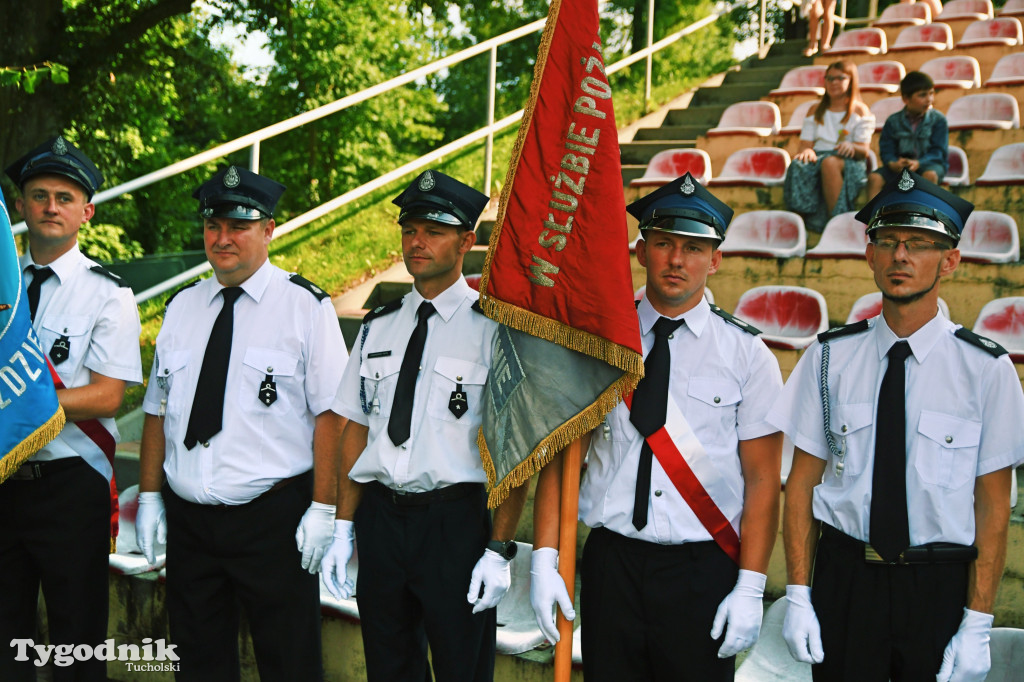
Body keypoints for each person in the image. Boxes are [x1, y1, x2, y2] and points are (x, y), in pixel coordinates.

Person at [769, 169, 1024, 682]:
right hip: (844, 581)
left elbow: (993, 506)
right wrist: (798, 591)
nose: (900, 256)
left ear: (950, 260)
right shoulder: (827, 358)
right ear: (869, 255)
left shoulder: (986, 370)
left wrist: (978, 619)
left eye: (920, 244)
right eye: (887, 241)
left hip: (937, 585)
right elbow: (800, 484)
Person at [528, 173, 784, 681]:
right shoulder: (596, 341)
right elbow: (561, 454)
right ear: (641, 251)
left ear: (715, 259)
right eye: (663, 243)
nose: (676, 260)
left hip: (702, 568)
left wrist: (751, 585)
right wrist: (544, 556)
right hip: (612, 564)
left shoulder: (748, 354)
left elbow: (762, 480)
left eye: (693, 247)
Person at [135, 165, 348, 681]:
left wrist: (324, 507)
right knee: (198, 664)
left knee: (289, 662)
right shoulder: (182, 308)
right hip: (191, 523)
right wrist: (148, 495)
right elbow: (157, 411)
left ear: (269, 229)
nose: (222, 238)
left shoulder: (305, 307)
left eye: (239, 226)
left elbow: (333, 417)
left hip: (272, 521)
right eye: (213, 226)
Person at [321, 169, 530, 682]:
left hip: (454, 526)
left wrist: (498, 550)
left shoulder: (496, 328)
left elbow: (512, 450)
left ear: (467, 241)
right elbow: (355, 429)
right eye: (410, 229)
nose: (417, 242)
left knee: (463, 669)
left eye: (433, 232)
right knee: (389, 667)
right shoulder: (379, 325)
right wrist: (343, 526)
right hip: (381, 520)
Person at [0, 136, 142, 681]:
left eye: (64, 197)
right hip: (4, 484)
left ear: (86, 211)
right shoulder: (1, 284)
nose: (50, 206)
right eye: (39, 195)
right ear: (20, 206)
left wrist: (22, 406)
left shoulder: (108, 294)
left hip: (69, 485)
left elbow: (108, 396)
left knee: (76, 643)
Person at [784, 60, 875, 233]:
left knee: (830, 163)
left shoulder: (860, 110)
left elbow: (864, 151)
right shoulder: (815, 109)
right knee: (798, 165)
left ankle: (837, 222)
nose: (833, 83)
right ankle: (802, 225)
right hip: (819, 155)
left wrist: (852, 147)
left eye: (840, 78)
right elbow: (804, 146)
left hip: (849, 161)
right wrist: (808, 151)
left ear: (851, 81)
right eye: (829, 78)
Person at [867, 71, 948, 199]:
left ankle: (923, 216)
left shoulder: (938, 120)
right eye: (922, 95)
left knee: (930, 176)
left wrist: (919, 162)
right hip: (900, 167)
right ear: (906, 99)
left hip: (928, 165)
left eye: (931, 93)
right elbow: (886, 150)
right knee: (874, 178)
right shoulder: (893, 121)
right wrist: (893, 163)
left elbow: (938, 152)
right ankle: (873, 218)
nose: (929, 99)